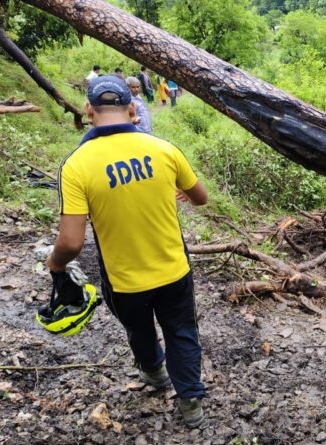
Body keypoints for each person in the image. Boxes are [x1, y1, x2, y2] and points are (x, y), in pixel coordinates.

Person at [45, 75, 209, 427]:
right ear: (132, 109)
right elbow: (201, 197)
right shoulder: (164, 150)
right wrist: (180, 191)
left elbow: (71, 243)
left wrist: (54, 262)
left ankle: (154, 372)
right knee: (182, 330)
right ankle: (191, 403)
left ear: (89, 111)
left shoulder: (76, 165)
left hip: (124, 280)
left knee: (140, 331)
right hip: (174, 269)